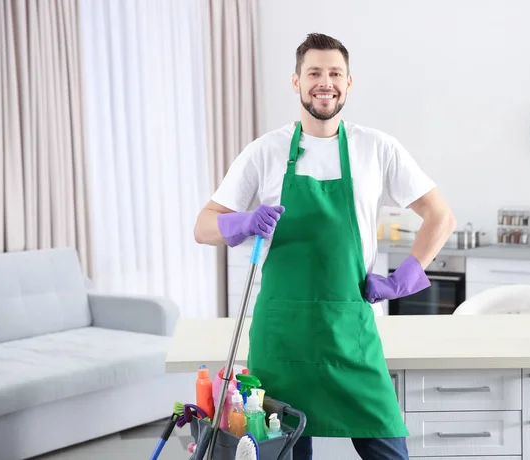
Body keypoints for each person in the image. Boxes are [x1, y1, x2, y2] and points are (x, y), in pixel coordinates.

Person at [194, 33, 456, 460]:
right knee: (285, 452)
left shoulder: (376, 148)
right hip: (281, 339)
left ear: (348, 82)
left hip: (349, 333)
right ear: (296, 81)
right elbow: (203, 227)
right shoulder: (266, 151)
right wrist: (241, 222)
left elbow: (440, 215)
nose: (325, 82)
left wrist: (405, 277)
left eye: (335, 73)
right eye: (314, 72)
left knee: (389, 449)